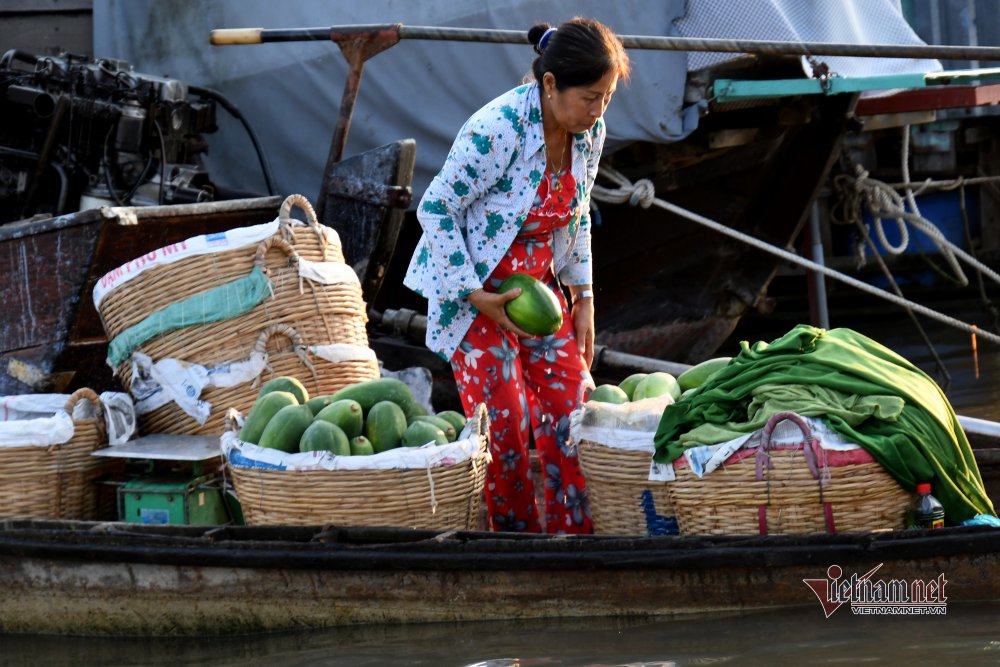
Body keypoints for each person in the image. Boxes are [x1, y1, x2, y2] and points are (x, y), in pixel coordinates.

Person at [404, 17, 630, 533]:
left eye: (607, 97)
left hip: (540, 290)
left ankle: (577, 539)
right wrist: (474, 292)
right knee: (506, 431)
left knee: (573, 415)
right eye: (590, 97)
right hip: (476, 293)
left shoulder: (588, 133)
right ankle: (514, 543)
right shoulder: (497, 129)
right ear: (550, 85)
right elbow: (435, 208)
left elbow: (577, 213)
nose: (599, 111)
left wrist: (584, 297)